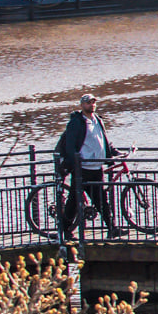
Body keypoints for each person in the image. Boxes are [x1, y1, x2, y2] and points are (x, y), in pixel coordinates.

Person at [53, 92, 119, 241]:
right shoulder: (77, 122)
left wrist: (114, 152)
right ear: (82, 105)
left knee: (101, 200)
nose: (92, 105)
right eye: (88, 102)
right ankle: (65, 231)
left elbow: (103, 140)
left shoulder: (97, 120)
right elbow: (70, 144)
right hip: (82, 168)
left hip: (96, 167)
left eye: (93, 102)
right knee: (74, 201)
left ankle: (112, 229)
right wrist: (74, 160)